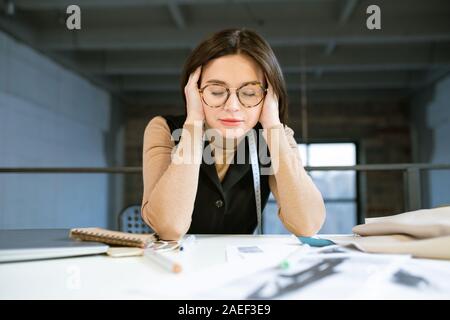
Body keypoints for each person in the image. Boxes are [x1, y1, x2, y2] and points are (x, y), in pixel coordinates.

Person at [141, 28, 325, 240]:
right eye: (217, 91)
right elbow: (168, 227)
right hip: (178, 266)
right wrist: (193, 123)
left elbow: (308, 224)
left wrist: (273, 126)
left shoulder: (274, 137)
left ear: (269, 96)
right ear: (194, 91)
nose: (232, 106)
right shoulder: (164, 129)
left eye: (249, 93)